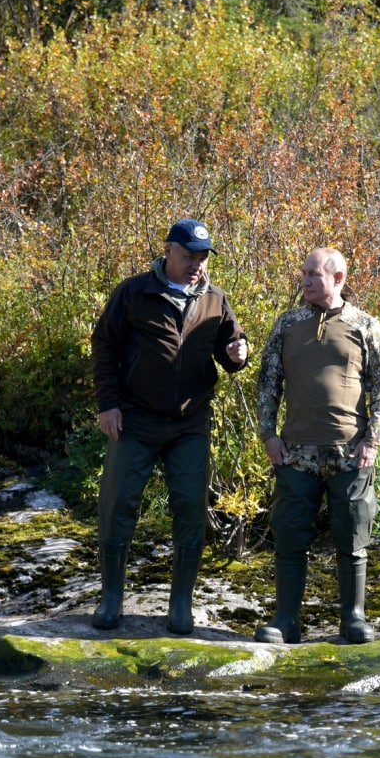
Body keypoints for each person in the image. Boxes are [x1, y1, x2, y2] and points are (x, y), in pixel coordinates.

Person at [89, 218, 250, 635]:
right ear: (168, 251)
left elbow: (232, 353)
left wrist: (238, 353)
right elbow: (103, 344)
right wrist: (108, 405)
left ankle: (180, 604)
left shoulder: (216, 299)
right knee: (117, 506)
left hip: (190, 424)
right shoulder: (134, 291)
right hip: (135, 419)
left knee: (190, 511)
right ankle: (111, 599)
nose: (197, 264)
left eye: (202, 257)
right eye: (189, 255)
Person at [254, 246, 380, 644]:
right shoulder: (287, 324)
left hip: (350, 454)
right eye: (303, 273)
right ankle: (286, 621)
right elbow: (267, 384)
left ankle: (353, 619)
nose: (305, 280)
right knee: (289, 536)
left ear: (338, 279)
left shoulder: (365, 325)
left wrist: (373, 442)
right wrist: (268, 435)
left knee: (352, 538)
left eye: (314, 274)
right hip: (295, 453)